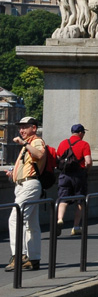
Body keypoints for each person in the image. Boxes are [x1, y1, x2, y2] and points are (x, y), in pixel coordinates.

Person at [5, 116, 46, 271]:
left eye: (25, 127)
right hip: (26, 184)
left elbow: (40, 155)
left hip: (29, 185)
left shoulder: (35, 141)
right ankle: (33, 258)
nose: (21, 130)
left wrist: (24, 143)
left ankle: (19, 256)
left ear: (34, 128)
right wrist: (13, 173)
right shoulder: (28, 143)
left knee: (15, 218)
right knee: (31, 224)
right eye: (20, 127)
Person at [56, 124, 93, 236]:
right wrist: (87, 170)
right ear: (81, 133)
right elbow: (89, 161)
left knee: (63, 198)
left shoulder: (63, 143)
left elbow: (58, 157)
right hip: (79, 175)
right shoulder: (84, 144)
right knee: (80, 200)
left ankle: (60, 219)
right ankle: (76, 227)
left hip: (65, 174)